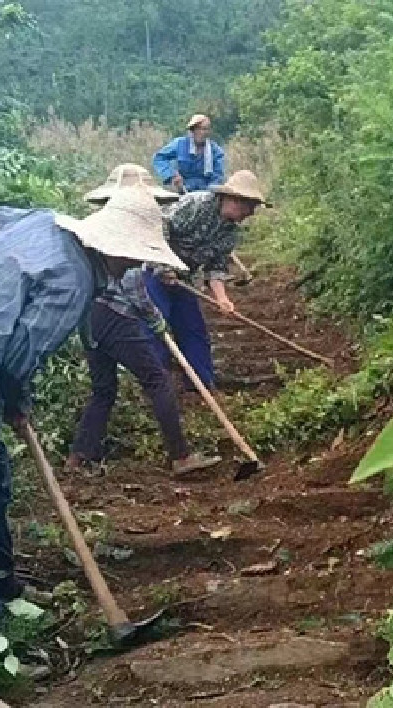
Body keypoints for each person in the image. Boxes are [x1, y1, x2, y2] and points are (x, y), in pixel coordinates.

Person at [0, 187, 186, 627]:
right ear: (112, 248)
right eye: (132, 256)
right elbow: (21, 354)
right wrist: (18, 400)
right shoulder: (72, 279)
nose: (134, 265)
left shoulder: (44, 222)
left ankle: (3, 587)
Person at [67, 165, 222, 478]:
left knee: (103, 389)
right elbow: (134, 288)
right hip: (115, 315)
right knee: (157, 380)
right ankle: (180, 456)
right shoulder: (123, 234)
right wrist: (155, 321)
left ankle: (79, 457)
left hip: (89, 316)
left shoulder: (96, 230)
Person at [146, 170, 269, 389]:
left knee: (193, 329)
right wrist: (164, 265)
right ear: (233, 199)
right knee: (157, 324)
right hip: (155, 271)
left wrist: (222, 299)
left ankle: (200, 383)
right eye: (249, 207)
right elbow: (160, 224)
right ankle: (156, 382)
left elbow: (216, 267)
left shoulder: (230, 233)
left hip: (184, 278)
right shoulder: (196, 204)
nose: (250, 214)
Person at [153, 114, 227, 193]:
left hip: (207, 192)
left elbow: (218, 177)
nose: (202, 132)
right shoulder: (179, 143)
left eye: (205, 129)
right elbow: (159, 158)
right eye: (198, 129)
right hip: (183, 190)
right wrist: (172, 175)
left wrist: (210, 193)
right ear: (192, 130)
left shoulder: (216, 151)